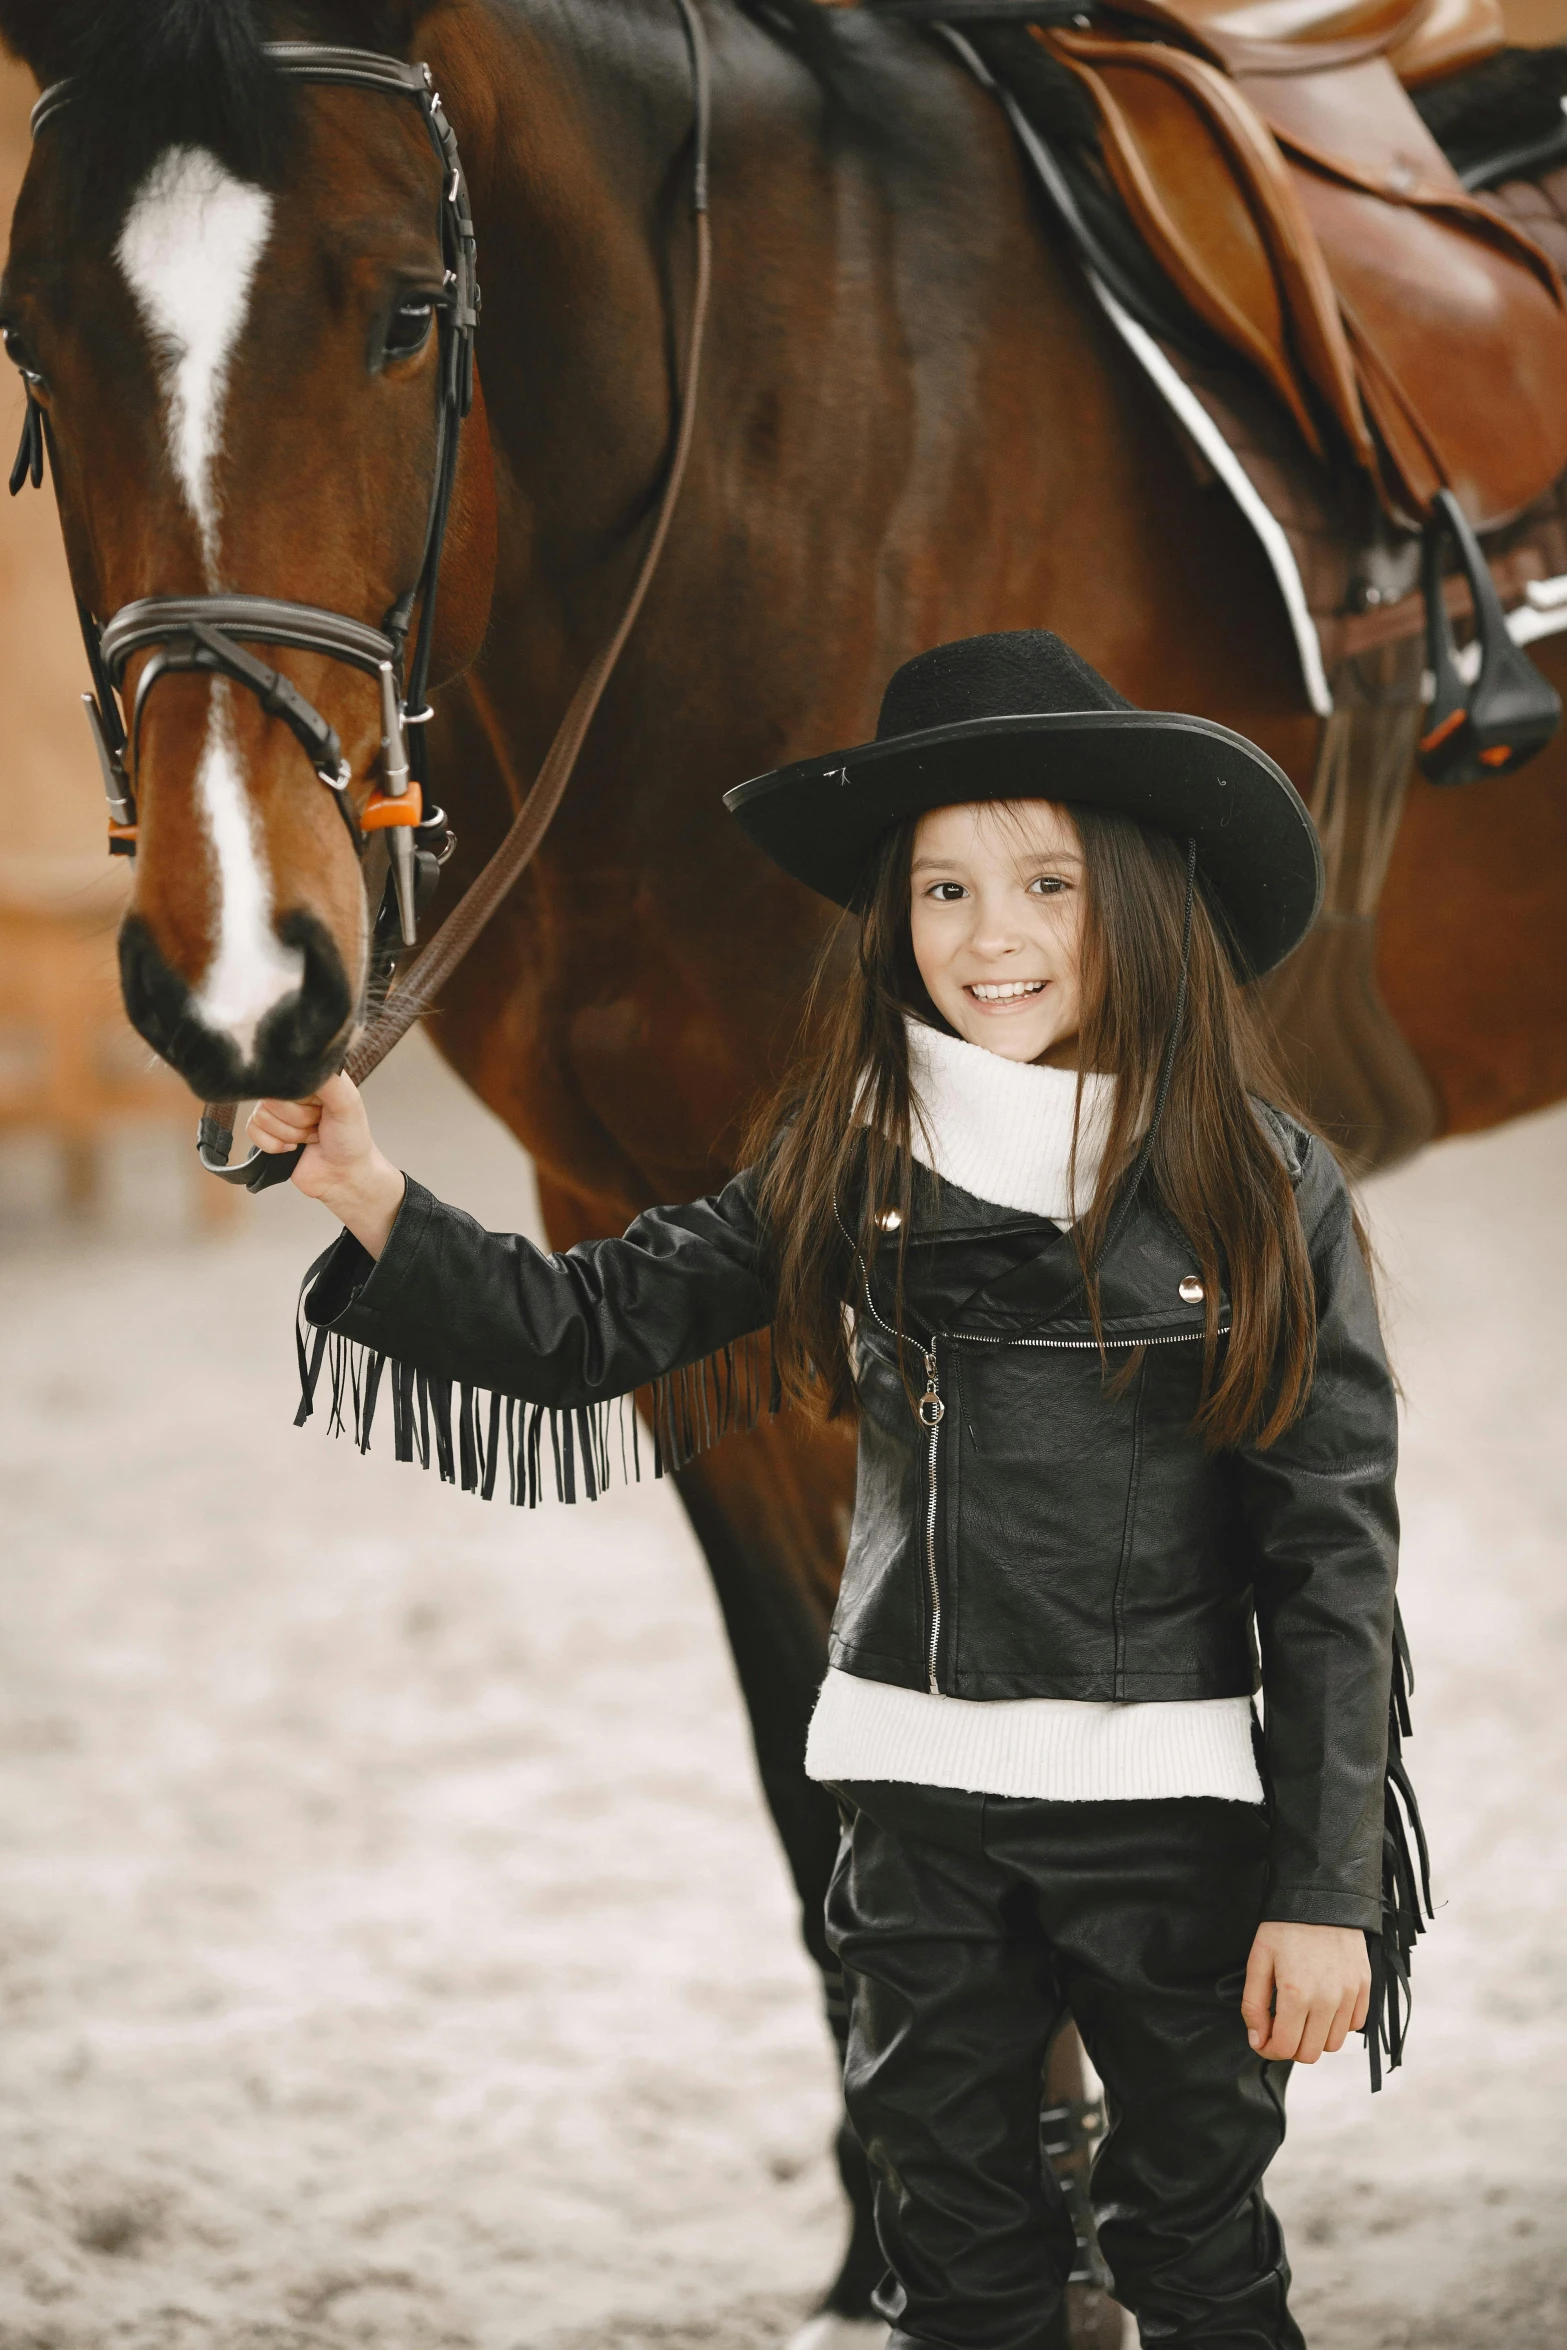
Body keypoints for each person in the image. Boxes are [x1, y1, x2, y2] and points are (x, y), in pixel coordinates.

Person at [252, 631, 1428, 2350]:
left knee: (1194, 2258)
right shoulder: (846, 1153)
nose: (991, 934)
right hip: (912, 1830)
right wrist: (367, 1186)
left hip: (1174, 1838)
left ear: (1141, 895)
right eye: (942, 889)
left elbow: (1331, 1557)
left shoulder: (1257, 1181)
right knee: (956, 2272)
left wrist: (1325, 1889)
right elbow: (586, 1327)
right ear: (894, 922)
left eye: (1044, 880)